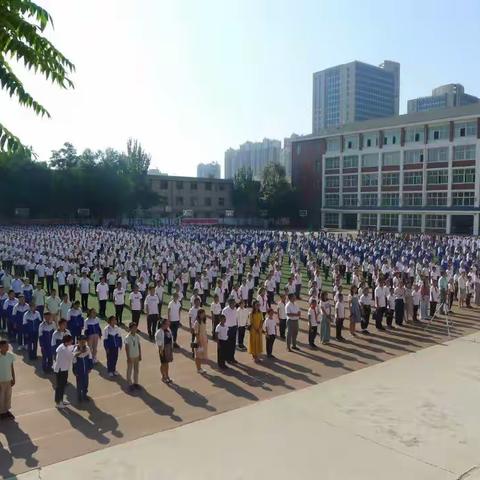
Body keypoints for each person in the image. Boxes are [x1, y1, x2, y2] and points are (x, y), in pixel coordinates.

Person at [54, 334, 74, 409]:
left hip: (63, 369)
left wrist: (75, 346)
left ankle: (61, 400)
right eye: (70, 341)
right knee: (60, 386)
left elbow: (70, 348)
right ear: (66, 342)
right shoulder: (64, 349)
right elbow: (72, 356)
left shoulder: (63, 346)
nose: (71, 342)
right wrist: (79, 352)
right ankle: (58, 402)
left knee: (62, 386)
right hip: (61, 370)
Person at [72, 335, 93, 402]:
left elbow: (90, 358)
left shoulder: (87, 348)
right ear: (78, 342)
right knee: (79, 384)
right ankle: (79, 397)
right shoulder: (75, 350)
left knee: (86, 383)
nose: (82, 343)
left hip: (86, 370)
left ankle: (84, 395)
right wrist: (75, 371)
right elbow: (74, 360)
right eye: (81, 342)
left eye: (84, 342)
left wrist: (90, 367)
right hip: (79, 370)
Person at [0, 340, 15, 419]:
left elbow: (11, 367)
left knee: (8, 396)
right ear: (1, 347)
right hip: (1, 381)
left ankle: (6, 410)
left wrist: (13, 378)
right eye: (5, 346)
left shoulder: (10, 355)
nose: (7, 348)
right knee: (1, 397)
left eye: (7, 346)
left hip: (8, 380)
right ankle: (1, 412)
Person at [155, 318, 173, 383]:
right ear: (163, 324)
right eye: (167, 322)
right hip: (163, 349)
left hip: (168, 349)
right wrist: (161, 351)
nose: (169, 323)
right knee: (163, 364)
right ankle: (163, 377)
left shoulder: (168, 330)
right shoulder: (159, 332)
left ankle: (167, 376)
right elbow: (159, 343)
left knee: (167, 363)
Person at [125, 322, 141, 392]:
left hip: (136, 355)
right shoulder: (127, 337)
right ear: (130, 329)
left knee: (136, 370)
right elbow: (126, 348)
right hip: (131, 356)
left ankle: (136, 383)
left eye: (135, 328)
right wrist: (128, 357)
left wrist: (140, 354)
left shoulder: (137, 336)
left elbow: (139, 345)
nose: (135, 329)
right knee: (129, 370)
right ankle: (130, 384)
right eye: (133, 328)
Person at [222, 297, 238, 364]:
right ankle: (227, 358)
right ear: (229, 303)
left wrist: (236, 325)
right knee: (228, 344)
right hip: (227, 329)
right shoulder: (225, 310)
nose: (234, 304)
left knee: (233, 344)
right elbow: (222, 319)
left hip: (234, 328)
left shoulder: (235, 309)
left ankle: (232, 357)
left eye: (234, 303)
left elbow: (236, 318)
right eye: (233, 303)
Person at [193, 309, 209, 373]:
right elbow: (196, 333)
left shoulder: (203, 321)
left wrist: (206, 338)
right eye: (202, 314)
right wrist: (198, 342)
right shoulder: (197, 322)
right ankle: (198, 369)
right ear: (199, 314)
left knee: (201, 355)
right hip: (199, 340)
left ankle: (200, 368)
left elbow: (204, 331)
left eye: (204, 313)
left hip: (204, 339)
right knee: (198, 355)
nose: (203, 315)